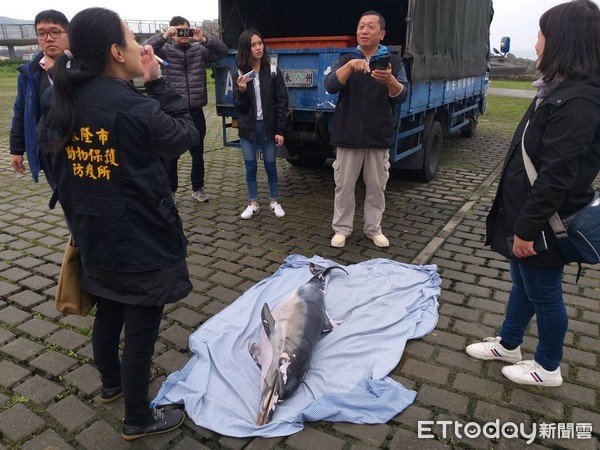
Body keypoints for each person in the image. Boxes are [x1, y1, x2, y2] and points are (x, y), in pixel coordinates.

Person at [38, 7, 200, 439]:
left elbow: (54, 168)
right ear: (115, 52)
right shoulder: (136, 109)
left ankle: (110, 385)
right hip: (142, 240)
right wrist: (158, 82)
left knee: (108, 308)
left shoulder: (62, 101)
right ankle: (137, 417)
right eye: (131, 40)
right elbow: (187, 135)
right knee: (142, 329)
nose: (139, 48)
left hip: (93, 234)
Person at [466, 0, 600, 387]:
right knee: (523, 281)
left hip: (545, 222)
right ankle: (509, 344)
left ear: (562, 41)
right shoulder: (557, 90)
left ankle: (547, 366)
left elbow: (557, 177)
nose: (536, 43)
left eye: (541, 34)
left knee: (544, 293)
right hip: (529, 216)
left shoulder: (578, 101)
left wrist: (526, 229)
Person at [324, 10, 407, 248]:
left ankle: (374, 228)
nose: (364, 31)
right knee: (344, 187)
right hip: (347, 136)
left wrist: (390, 80)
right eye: (361, 26)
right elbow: (330, 86)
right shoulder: (344, 59)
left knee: (376, 188)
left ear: (381, 34)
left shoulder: (394, 62)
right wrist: (350, 66)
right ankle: (341, 229)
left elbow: (402, 96)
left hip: (378, 136)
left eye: (370, 27)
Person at [144, 16, 228, 203]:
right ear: (173, 32)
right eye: (178, 31)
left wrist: (203, 39)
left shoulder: (200, 51)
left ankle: (198, 188)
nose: (183, 35)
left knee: (197, 153)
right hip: (172, 111)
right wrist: (165, 35)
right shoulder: (165, 51)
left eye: (186, 31)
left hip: (196, 110)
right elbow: (145, 49)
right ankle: (170, 191)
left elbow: (222, 50)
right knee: (170, 155)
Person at [9, 9, 69, 186]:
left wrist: (55, 72)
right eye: (42, 33)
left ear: (69, 33)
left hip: (80, 146)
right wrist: (17, 149)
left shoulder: (83, 67)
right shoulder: (29, 73)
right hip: (48, 150)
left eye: (55, 31)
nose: (48, 38)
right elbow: (21, 113)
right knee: (60, 195)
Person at [233, 30, 288, 219]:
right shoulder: (240, 72)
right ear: (245, 49)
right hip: (248, 128)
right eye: (253, 45)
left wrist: (281, 130)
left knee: (271, 165)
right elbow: (239, 108)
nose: (258, 48)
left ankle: (274, 201)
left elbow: (282, 101)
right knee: (250, 167)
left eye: (260, 43)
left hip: (268, 127)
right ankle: (253, 203)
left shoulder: (272, 68)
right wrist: (241, 91)